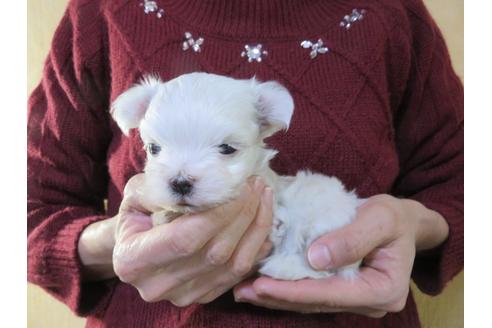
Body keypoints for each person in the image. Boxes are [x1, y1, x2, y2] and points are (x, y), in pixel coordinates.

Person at [27, 0, 463, 327]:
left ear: (265, 127)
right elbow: (26, 207)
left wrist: (415, 225)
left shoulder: (393, 15)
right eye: (155, 149)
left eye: (226, 150)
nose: (181, 177)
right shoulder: (103, 12)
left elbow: (465, 179)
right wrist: (113, 246)